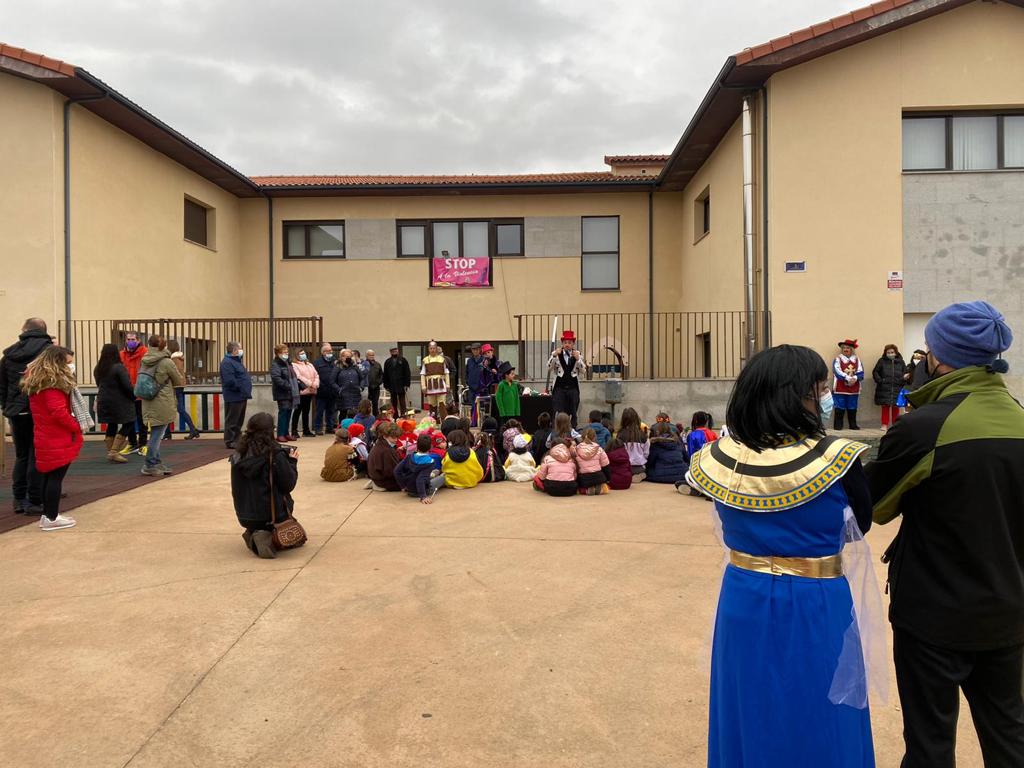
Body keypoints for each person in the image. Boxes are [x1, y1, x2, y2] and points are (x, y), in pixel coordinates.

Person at [687, 344, 879, 767]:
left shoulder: (719, 458)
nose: (824, 398)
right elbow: (859, 525)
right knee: (821, 710)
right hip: (816, 596)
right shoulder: (837, 459)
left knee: (748, 705)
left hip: (743, 594)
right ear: (799, 397)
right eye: (820, 389)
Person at [865, 301, 1024, 768]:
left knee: (930, 746)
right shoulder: (1020, 418)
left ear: (938, 355)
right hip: (1008, 611)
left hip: (931, 616)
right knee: (1009, 738)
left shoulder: (923, 427)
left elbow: (872, 508)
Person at [21, 346, 82, 530]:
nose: (70, 367)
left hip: (46, 435)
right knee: (55, 478)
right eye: (68, 363)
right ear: (58, 363)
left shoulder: (38, 383)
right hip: (57, 437)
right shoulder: (52, 385)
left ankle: (48, 515)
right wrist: (76, 426)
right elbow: (58, 412)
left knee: (49, 477)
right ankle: (51, 517)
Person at [229, 412, 299, 559]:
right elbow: (289, 484)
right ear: (270, 431)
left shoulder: (237, 455)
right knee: (295, 534)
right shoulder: (275, 455)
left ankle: (253, 532)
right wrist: (292, 462)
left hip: (244, 515)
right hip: (271, 516)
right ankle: (265, 534)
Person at [1, 317, 52, 513]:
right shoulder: (48, 352)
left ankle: (19, 499)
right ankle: (36, 499)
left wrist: (7, 407)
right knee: (37, 454)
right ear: (44, 330)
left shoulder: (9, 354)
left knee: (22, 455)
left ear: (24, 330)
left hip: (16, 411)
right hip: (40, 409)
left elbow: (3, 385)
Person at [139, 335, 184, 476]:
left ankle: (157, 462)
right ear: (163, 346)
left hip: (148, 400)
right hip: (162, 401)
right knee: (157, 435)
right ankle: (150, 464)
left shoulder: (145, 360)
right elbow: (178, 380)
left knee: (156, 432)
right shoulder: (166, 362)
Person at [94, 342, 137, 464]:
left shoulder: (98, 368)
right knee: (129, 422)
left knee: (111, 424)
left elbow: (99, 384)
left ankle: (110, 451)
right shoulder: (118, 367)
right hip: (119, 401)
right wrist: (133, 396)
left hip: (103, 399)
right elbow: (127, 385)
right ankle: (114, 451)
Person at [547, 330, 586, 427]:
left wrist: (578, 359)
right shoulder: (556, 354)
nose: (567, 345)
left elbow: (583, 370)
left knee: (573, 411)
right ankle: (557, 430)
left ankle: (572, 430)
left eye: (569, 343)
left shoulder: (577, 354)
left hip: (573, 388)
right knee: (558, 411)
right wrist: (554, 356)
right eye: (565, 342)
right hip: (559, 388)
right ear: (562, 343)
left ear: (573, 344)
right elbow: (548, 368)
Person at [395, 433, 446, 503]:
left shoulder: (409, 457)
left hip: (409, 488)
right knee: (443, 477)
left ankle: (433, 475)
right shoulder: (430, 461)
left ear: (417, 446)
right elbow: (420, 479)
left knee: (435, 471)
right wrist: (423, 497)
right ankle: (435, 476)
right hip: (421, 491)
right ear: (430, 447)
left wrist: (403, 486)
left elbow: (396, 471)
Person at [119, 330, 149, 452]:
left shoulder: (145, 353)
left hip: (141, 390)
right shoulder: (121, 354)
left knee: (142, 419)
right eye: (128, 339)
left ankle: (143, 444)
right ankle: (132, 443)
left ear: (138, 340)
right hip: (126, 391)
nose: (130, 342)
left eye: (133, 339)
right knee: (128, 418)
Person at [166, 340, 200, 440]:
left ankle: (193, 430)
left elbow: (174, 373)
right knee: (171, 409)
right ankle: (168, 433)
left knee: (178, 409)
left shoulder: (174, 359)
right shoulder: (178, 358)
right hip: (178, 386)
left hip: (175, 387)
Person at [871, 344, 906, 430]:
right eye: (888, 352)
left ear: (896, 352)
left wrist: (903, 379)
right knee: (885, 407)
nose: (890, 354)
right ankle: (884, 425)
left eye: (892, 352)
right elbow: (875, 372)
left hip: (897, 387)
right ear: (885, 353)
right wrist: (880, 381)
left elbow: (905, 372)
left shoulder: (901, 362)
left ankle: (894, 425)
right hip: (884, 388)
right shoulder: (881, 361)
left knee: (895, 407)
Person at [270, 344, 300, 443]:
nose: (286, 354)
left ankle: (286, 433)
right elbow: (276, 378)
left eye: (287, 352)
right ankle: (280, 434)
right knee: (283, 413)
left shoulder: (288, 363)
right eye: (284, 352)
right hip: (282, 393)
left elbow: (294, 376)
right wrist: (289, 386)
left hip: (291, 392)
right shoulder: (276, 364)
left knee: (288, 413)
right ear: (278, 353)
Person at [832, 338, 864, 430]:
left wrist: (855, 378)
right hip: (840, 386)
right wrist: (847, 378)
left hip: (854, 386)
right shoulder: (838, 359)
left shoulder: (857, 360)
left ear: (852, 349)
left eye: (848, 348)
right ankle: (838, 425)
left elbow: (860, 371)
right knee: (839, 405)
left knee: (852, 406)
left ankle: (853, 425)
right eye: (844, 348)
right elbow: (836, 371)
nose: (846, 349)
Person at [291, 349, 319, 438]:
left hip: (310, 391)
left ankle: (306, 430)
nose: (303, 355)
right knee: (297, 411)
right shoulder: (294, 365)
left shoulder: (309, 364)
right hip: (302, 391)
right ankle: (294, 430)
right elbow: (299, 376)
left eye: (304, 353)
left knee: (306, 412)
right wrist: (310, 384)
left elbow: (316, 375)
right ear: (296, 355)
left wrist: (315, 384)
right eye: (301, 353)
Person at [366, 422, 402, 491]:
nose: (396, 440)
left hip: (378, 478)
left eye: (397, 437)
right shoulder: (386, 450)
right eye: (393, 437)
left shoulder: (379, 444)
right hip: (384, 482)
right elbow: (392, 472)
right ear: (385, 436)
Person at [313, 344, 339, 435]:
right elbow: (315, 375)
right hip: (322, 391)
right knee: (320, 411)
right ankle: (318, 428)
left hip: (332, 391)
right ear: (323, 352)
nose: (330, 352)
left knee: (331, 411)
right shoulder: (317, 363)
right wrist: (321, 385)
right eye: (328, 351)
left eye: (331, 350)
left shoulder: (335, 362)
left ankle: (329, 427)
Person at [617, 407, 649, 481]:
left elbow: (619, 453)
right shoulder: (643, 435)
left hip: (625, 468)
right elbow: (646, 454)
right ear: (636, 419)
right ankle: (638, 476)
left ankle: (630, 476)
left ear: (623, 420)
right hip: (640, 468)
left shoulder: (620, 435)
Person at [575, 428, 610, 495]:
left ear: (582, 437)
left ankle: (586, 489)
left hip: (583, 478)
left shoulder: (577, 449)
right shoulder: (599, 449)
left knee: (581, 484)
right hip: (598, 477)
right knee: (603, 483)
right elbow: (606, 465)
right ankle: (598, 487)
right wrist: (607, 478)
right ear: (594, 437)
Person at [420, 341, 450, 416]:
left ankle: (444, 422)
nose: (432, 350)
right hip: (430, 386)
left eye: (434, 348)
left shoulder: (442, 359)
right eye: (431, 348)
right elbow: (423, 374)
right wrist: (423, 386)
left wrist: (448, 384)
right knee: (432, 404)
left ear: (436, 349)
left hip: (441, 385)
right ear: (428, 349)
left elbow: (446, 373)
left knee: (442, 404)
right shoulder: (425, 360)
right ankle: (433, 421)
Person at [335, 349, 365, 423]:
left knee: (354, 413)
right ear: (341, 357)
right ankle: (342, 430)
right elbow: (332, 381)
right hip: (343, 395)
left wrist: (361, 387)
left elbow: (362, 378)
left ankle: (353, 429)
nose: (348, 358)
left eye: (349, 356)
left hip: (355, 394)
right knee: (343, 413)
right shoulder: (338, 367)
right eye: (346, 356)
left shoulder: (355, 367)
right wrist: (339, 389)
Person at [383, 346, 411, 416]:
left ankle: (403, 415)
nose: (394, 351)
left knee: (402, 402)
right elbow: (385, 374)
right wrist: (386, 385)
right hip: (391, 385)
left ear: (398, 351)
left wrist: (407, 384)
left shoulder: (403, 360)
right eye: (392, 350)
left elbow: (407, 372)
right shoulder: (387, 362)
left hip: (401, 384)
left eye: (395, 350)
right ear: (390, 352)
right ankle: (395, 416)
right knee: (393, 402)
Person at [494, 361, 520, 431]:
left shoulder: (514, 385)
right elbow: (498, 399)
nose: (514, 375)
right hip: (505, 413)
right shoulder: (501, 385)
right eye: (512, 374)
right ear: (506, 375)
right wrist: (502, 412)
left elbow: (517, 399)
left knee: (514, 429)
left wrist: (517, 411)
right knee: (505, 429)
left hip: (513, 413)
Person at [364, 349, 384, 416]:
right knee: (366, 404)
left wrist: (378, 382)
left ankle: (376, 417)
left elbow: (381, 375)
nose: (372, 356)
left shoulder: (377, 364)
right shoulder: (363, 364)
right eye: (370, 355)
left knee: (375, 403)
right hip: (366, 387)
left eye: (373, 355)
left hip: (375, 387)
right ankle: (366, 417)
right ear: (366, 356)